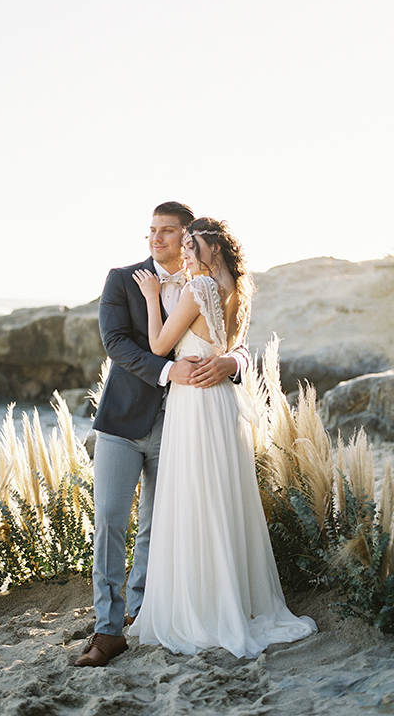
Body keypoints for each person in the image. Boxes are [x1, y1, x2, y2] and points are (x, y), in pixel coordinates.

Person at [129, 217, 317, 657]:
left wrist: (153, 298)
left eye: (193, 246)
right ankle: (230, 597)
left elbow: (159, 346)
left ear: (212, 248)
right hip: (219, 405)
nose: (187, 254)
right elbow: (232, 349)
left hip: (194, 402)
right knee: (221, 495)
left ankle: (204, 606)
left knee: (196, 496)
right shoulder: (238, 291)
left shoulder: (200, 290)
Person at [75, 203, 248, 667]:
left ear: (186, 235)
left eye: (167, 231)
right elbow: (116, 344)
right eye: (151, 231)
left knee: (157, 525)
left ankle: (142, 614)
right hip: (122, 424)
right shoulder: (122, 278)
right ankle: (107, 631)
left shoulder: (205, 282)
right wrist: (171, 370)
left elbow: (236, 341)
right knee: (111, 521)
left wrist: (232, 363)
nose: (155, 238)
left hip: (181, 425)